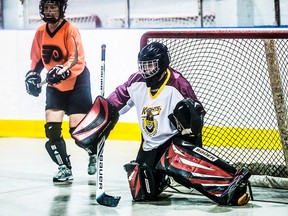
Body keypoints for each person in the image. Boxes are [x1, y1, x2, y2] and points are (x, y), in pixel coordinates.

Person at [72, 42, 251, 206]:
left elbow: (197, 118)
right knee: (142, 193)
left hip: (173, 142)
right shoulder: (135, 81)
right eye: (142, 65)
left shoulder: (178, 84)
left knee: (180, 163)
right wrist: (101, 121)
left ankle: (233, 184)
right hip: (150, 145)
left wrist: (189, 119)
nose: (145, 70)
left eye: (150, 65)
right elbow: (116, 102)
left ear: (162, 63)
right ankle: (162, 178)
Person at [25, 0, 97, 182]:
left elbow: (76, 60)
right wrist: (32, 75)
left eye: (53, 7)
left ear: (61, 9)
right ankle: (64, 167)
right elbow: (37, 59)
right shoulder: (40, 32)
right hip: (54, 84)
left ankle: (93, 151)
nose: (49, 11)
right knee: (52, 130)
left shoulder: (70, 29)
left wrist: (62, 71)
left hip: (77, 82)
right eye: (46, 8)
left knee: (77, 130)